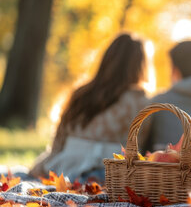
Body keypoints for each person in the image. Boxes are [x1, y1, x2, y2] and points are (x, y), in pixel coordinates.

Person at [29, 33, 150, 182]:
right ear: (141, 65)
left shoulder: (81, 94)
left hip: (64, 167)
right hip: (107, 175)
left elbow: (58, 145)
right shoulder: (141, 102)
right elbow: (141, 151)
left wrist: (38, 168)